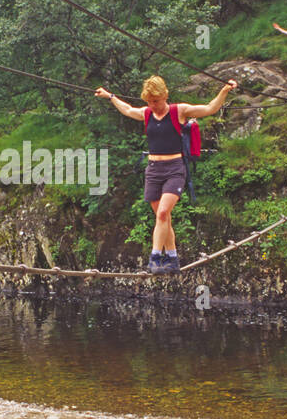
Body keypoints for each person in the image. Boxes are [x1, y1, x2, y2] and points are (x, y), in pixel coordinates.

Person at [94, 75, 237, 274]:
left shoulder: (180, 111)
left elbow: (209, 108)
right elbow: (128, 109)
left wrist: (224, 91)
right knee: (163, 217)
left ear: (165, 96)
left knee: (162, 213)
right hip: (153, 171)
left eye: (156, 101)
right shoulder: (146, 113)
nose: (153, 105)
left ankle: (155, 258)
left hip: (174, 169)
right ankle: (172, 258)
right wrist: (110, 96)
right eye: (149, 102)